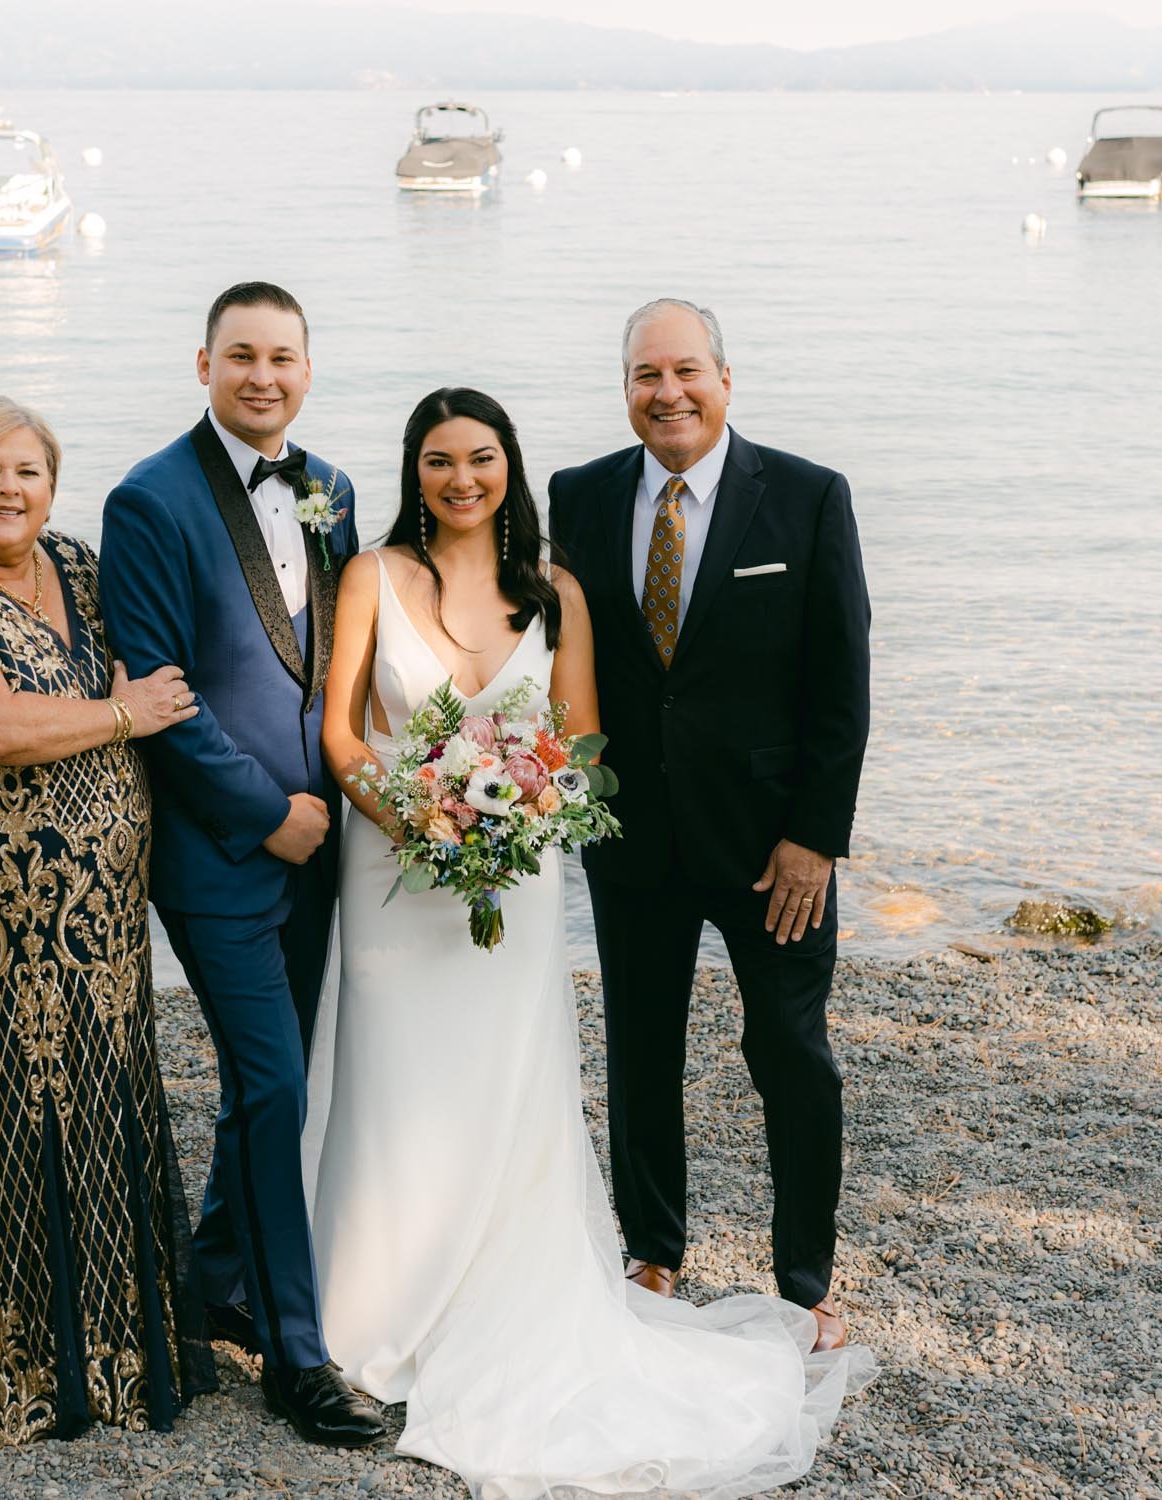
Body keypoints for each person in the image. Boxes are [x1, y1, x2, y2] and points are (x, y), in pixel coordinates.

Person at [306, 385, 868, 1495]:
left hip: (512, 885)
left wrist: (511, 813)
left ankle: (749, 1280)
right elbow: (339, 732)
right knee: (397, 1079)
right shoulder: (370, 577)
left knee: (516, 1085)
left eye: (480, 458)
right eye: (436, 461)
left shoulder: (556, 592)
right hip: (392, 874)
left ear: (510, 468)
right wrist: (420, 813)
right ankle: (377, 1299)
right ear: (412, 471)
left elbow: (580, 737)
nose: (461, 479)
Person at [0, 395, 215, 1444]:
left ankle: (112, 1357)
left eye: (28, 470)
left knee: (102, 1105)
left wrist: (129, 705)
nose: (10, 490)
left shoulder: (81, 565)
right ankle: (3, 1371)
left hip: (98, 915)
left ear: (52, 485)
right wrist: (120, 715)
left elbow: (156, 655)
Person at [547, 298, 872, 1353]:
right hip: (632, 836)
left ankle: (805, 1275)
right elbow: (561, 655)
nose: (668, 393)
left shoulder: (811, 497)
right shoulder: (580, 496)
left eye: (686, 371)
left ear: (727, 380)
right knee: (642, 1049)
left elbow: (842, 681)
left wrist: (816, 836)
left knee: (791, 1052)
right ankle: (654, 1249)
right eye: (646, 375)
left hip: (772, 845)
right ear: (626, 389)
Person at [97, 283, 383, 1448]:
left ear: (308, 368)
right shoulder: (149, 500)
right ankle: (296, 1354)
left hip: (326, 842)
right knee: (271, 1085)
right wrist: (268, 815)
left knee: (289, 1075)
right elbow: (162, 698)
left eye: (283, 358)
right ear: (203, 363)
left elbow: (338, 663)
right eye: (242, 357)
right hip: (220, 852)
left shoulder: (334, 488)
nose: (263, 376)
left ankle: (217, 1271)